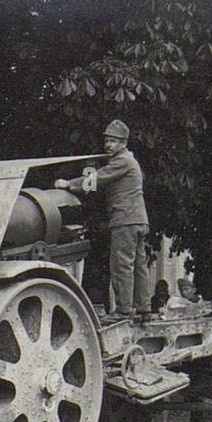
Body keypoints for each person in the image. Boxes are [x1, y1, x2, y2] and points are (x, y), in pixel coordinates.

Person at [55, 119, 151, 321]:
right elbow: (96, 183)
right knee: (139, 265)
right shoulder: (128, 161)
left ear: (124, 143)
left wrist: (68, 185)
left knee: (121, 265)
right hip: (138, 220)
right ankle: (144, 309)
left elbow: (96, 180)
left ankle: (124, 311)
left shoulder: (122, 161)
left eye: (114, 142)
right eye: (107, 141)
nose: (108, 145)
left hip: (124, 219)